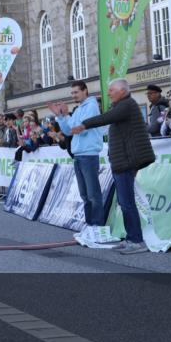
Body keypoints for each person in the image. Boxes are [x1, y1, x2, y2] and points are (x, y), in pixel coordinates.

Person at [71, 79, 171, 255]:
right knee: (125, 202)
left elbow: (106, 118)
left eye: (112, 90)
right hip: (123, 161)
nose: (109, 93)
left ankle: (136, 241)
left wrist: (85, 124)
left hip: (126, 161)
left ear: (122, 91)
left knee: (127, 202)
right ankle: (131, 238)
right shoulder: (122, 105)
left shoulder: (126, 104)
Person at [51, 81, 115, 248]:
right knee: (85, 195)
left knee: (93, 194)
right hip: (79, 155)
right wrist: (61, 116)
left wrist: (67, 119)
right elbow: (67, 131)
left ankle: (97, 228)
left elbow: (80, 128)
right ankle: (90, 227)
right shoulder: (79, 109)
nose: (73, 95)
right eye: (72, 93)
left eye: (76, 92)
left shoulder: (91, 106)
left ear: (85, 91)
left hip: (88, 154)